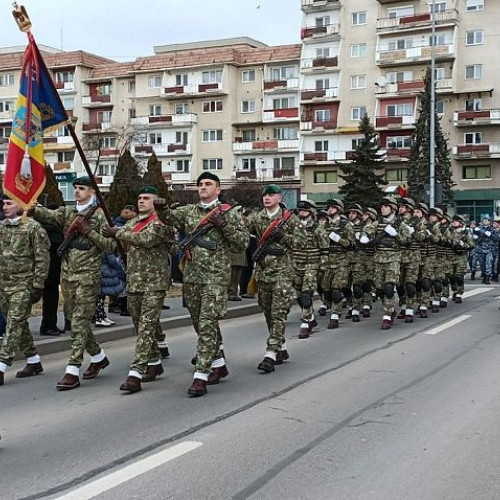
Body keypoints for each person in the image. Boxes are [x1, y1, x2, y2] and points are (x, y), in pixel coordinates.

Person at [155, 173, 249, 396]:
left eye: (208, 184)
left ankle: (201, 375)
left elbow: (243, 243)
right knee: (201, 324)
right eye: (200, 185)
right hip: (192, 277)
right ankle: (218, 364)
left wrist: (224, 226)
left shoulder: (229, 213)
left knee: (207, 324)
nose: (203, 187)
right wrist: (162, 208)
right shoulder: (190, 211)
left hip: (216, 278)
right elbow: (170, 218)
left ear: (218, 189)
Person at [31, 176, 116, 391]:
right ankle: (98, 357)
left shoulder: (100, 216)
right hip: (67, 276)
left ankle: (72, 370)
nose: (77, 192)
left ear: (92, 192)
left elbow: (110, 246)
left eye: (82, 188)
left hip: (88, 276)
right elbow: (48, 215)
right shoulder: (68, 212)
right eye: (75, 188)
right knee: (76, 321)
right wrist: (31, 208)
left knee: (78, 322)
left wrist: (89, 231)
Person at [105, 186, 176, 393]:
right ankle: (154, 362)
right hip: (134, 281)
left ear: (156, 201)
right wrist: (114, 233)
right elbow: (124, 235)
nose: (141, 201)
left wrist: (119, 233)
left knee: (146, 325)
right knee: (140, 324)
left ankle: (135, 373)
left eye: (146, 198)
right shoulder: (134, 221)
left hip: (155, 282)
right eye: (139, 197)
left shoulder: (161, 221)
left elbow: (147, 240)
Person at [245, 184, 305, 372]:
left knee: (279, 313)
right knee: (268, 312)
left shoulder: (290, 219)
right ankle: (282, 347)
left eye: (271, 195)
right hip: (263, 273)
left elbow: (301, 243)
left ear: (279, 197)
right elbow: (241, 228)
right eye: (264, 195)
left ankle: (270, 353)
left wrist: (284, 236)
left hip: (282, 273)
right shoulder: (257, 217)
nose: (267, 198)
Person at [0, 196, 50, 386]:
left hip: (24, 285)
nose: (5, 207)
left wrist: (38, 285)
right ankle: (34, 361)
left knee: (13, 324)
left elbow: (42, 259)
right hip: (4, 285)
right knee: (19, 325)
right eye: (4, 203)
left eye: (9, 203)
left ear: (21, 205)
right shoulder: (2, 227)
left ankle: (2, 365)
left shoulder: (33, 228)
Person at [360, 197, 410, 330]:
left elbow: (406, 241)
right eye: (381, 206)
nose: (382, 208)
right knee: (380, 289)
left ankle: (387, 315)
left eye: (385, 206)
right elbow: (367, 230)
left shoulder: (400, 224)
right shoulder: (377, 223)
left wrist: (396, 235)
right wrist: (364, 237)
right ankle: (391, 309)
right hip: (378, 260)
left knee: (389, 288)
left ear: (392, 208)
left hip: (393, 259)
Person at [291, 200, 328, 338]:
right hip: (296, 265)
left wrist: (323, 266)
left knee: (307, 294)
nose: (302, 214)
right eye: (300, 211)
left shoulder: (318, 229)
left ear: (311, 212)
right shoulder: (294, 227)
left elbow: (324, 248)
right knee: (299, 295)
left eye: (305, 211)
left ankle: (305, 323)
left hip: (312, 265)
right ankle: (311, 318)